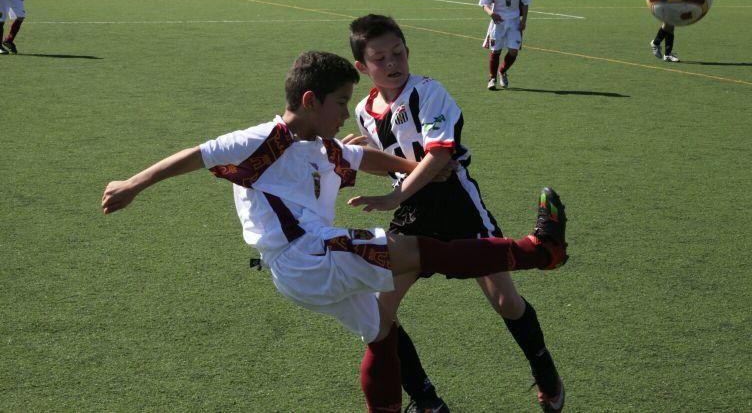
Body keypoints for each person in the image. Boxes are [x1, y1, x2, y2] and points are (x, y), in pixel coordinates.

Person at [101, 50, 569, 413]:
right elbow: (196, 153)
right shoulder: (264, 140)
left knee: (383, 331)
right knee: (420, 252)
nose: (348, 114)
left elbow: (367, 159)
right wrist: (132, 184)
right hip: (306, 256)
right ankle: (539, 251)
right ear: (310, 101)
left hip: (304, 268)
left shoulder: (321, 145)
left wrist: (418, 167)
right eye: (342, 102)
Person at [348, 14, 567, 413]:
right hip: (411, 213)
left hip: (456, 204)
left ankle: (547, 375)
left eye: (398, 53)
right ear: (363, 68)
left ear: (408, 51)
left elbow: (441, 157)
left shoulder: (428, 92)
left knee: (506, 302)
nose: (392, 63)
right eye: (380, 58)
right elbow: (399, 162)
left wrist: (394, 194)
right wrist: (361, 159)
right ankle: (427, 400)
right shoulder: (364, 110)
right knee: (377, 316)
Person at [479, 0, 532, 90]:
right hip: (498, 24)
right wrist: (492, 14)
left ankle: (502, 71)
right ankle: (492, 79)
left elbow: (525, 3)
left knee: (513, 51)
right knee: (495, 51)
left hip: (514, 22)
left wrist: (523, 21)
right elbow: (484, 4)